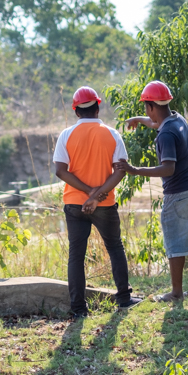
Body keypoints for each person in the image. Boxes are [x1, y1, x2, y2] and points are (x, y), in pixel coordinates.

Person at [113, 80, 188, 303]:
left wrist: (134, 170)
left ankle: (176, 293)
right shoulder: (177, 120)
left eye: (145, 109)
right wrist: (139, 120)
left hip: (181, 193)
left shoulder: (166, 133)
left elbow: (169, 167)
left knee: (176, 243)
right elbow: (157, 123)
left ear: (150, 106)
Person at [53, 86, 142, 317]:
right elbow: (121, 170)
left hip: (74, 204)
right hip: (104, 204)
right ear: (98, 107)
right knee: (114, 247)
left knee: (76, 255)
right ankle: (124, 298)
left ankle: (79, 309)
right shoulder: (112, 134)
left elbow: (61, 172)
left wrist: (87, 192)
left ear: (76, 111)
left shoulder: (66, 135)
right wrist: (97, 194)